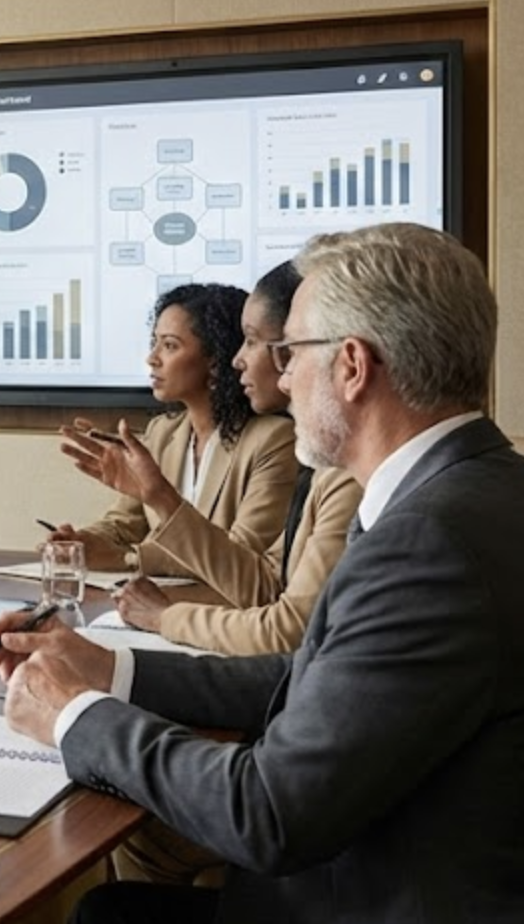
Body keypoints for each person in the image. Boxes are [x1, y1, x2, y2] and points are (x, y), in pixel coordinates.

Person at [0, 222, 524, 924]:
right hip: (412, 913)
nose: (276, 372)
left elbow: (266, 812)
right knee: (107, 918)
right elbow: (304, 676)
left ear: (351, 365)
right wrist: (106, 669)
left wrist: (73, 719)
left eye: (291, 352)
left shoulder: (433, 542)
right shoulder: (490, 492)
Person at [98, 261, 361, 655]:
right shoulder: (322, 465)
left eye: (255, 341)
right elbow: (265, 587)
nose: (241, 359)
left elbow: (285, 628)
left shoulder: (325, 465)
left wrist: (161, 611)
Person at [44, 282, 297, 592]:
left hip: (221, 612)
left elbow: (242, 552)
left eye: (170, 345)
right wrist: (82, 542)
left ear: (215, 360)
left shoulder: (274, 439)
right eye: (155, 343)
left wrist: (130, 559)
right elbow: (124, 525)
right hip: (158, 603)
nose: (152, 358)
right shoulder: (162, 433)